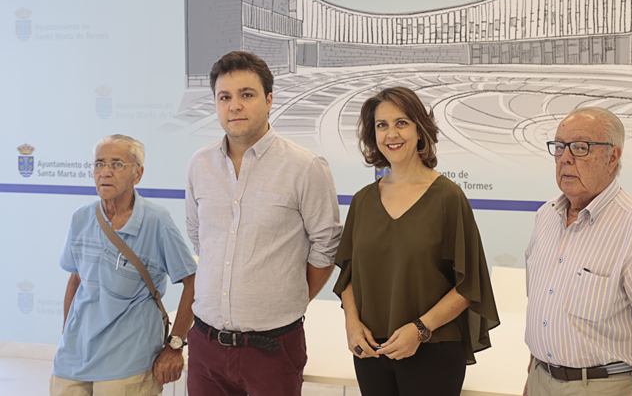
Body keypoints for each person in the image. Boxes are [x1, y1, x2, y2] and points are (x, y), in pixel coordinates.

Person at [186, 51, 342, 396]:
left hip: (271, 349)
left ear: (269, 100)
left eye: (247, 94)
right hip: (205, 346)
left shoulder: (305, 166)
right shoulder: (200, 165)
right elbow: (200, 238)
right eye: (224, 97)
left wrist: (288, 297)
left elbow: (326, 247)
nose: (234, 106)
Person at [333, 86, 500, 396]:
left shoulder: (448, 198)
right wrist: (352, 324)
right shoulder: (363, 201)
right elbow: (349, 275)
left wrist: (420, 330)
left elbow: (468, 285)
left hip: (432, 349)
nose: (391, 134)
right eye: (381, 125)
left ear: (420, 131)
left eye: (402, 123)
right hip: (371, 351)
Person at [523, 107, 632, 396]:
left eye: (580, 147)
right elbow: (544, 311)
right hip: (541, 379)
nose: (565, 158)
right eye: (560, 147)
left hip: (604, 386)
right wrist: (532, 382)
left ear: (612, 157)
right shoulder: (545, 216)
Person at [51, 134, 197, 396]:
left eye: (116, 164)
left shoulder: (156, 221)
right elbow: (75, 281)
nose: (105, 172)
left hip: (128, 361)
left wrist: (175, 345)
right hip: (72, 358)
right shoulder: (81, 218)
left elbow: (193, 282)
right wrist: (66, 337)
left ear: (137, 174)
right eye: (99, 164)